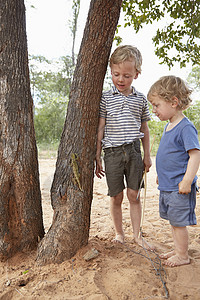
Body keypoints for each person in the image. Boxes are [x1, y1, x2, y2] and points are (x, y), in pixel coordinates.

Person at [95, 45, 153, 249]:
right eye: (116, 74)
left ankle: (137, 235)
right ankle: (119, 233)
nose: (121, 79)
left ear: (136, 74)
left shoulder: (140, 99)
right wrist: (97, 154)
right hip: (111, 153)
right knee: (116, 196)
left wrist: (147, 155)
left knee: (133, 195)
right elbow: (101, 127)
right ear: (111, 72)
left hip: (134, 151)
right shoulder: (105, 98)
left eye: (127, 75)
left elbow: (144, 129)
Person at [147, 75, 200, 267]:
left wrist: (187, 180)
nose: (154, 110)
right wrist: (162, 174)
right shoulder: (169, 125)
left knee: (179, 223)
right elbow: (169, 155)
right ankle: (178, 249)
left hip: (180, 187)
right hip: (168, 186)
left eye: (156, 105)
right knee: (173, 220)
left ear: (174, 102)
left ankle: (183, 255)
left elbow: (195, 155)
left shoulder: (186, 127)